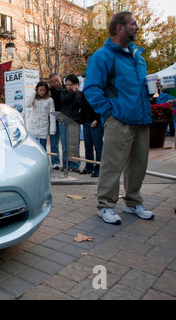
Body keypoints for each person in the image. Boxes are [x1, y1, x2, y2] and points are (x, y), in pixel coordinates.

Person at [83, 11, 154, 224]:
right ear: (120, 28)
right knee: (112, 165)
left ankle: (132, 203)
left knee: (139, 165)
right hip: (119, 120)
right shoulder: (102, 56)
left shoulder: (138, 57)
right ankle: (105, 206)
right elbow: (92, 88)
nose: (138, 27)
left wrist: (151, 90)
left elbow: (136, 88)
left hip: (141, 119)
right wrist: (110, 113)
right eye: (133, 24)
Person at [60, 74, 82, 172]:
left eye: (71, 85)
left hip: (74, 121)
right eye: (67, 84)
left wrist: (75, 92)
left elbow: (78, 104)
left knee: (74, 145)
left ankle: (75, 164)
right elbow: (64, 100)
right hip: (64, 121)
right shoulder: (63, 92)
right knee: (65, 145)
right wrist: (72, 92)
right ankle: (65, 164)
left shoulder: (80, 94)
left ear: (76, 84)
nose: (68, 87)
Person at [24, 81, 56, 150]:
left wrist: (52, 130)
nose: (42, 92)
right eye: (40, 90)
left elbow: (52, 115)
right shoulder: (34, 99)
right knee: (32, 148)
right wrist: (34, 92)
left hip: (43, 128)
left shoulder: (50, 100)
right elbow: (27, 104)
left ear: (46, 90)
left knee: (43, 148)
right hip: (33, 127)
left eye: (44, 90)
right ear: (37, 90)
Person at [80, 93, 103, 178]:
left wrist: (97, 119)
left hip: (96, 122)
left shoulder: (96, 90)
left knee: (98, 147)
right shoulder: (84, 92)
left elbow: (100, 105)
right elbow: (82, 106)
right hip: (86, 121)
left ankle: (98, 168)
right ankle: (89, 166)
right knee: (88, 146)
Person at [49, 73, 65, 170]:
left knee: (65, 141)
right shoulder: (50, 92)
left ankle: (66, 163)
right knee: (54, 141)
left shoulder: (66, 88)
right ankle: (55, 162)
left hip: (64, 117)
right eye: (53, 82)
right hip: (54, 117)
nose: (56, 83)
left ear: (60, 78)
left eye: (57, 80)